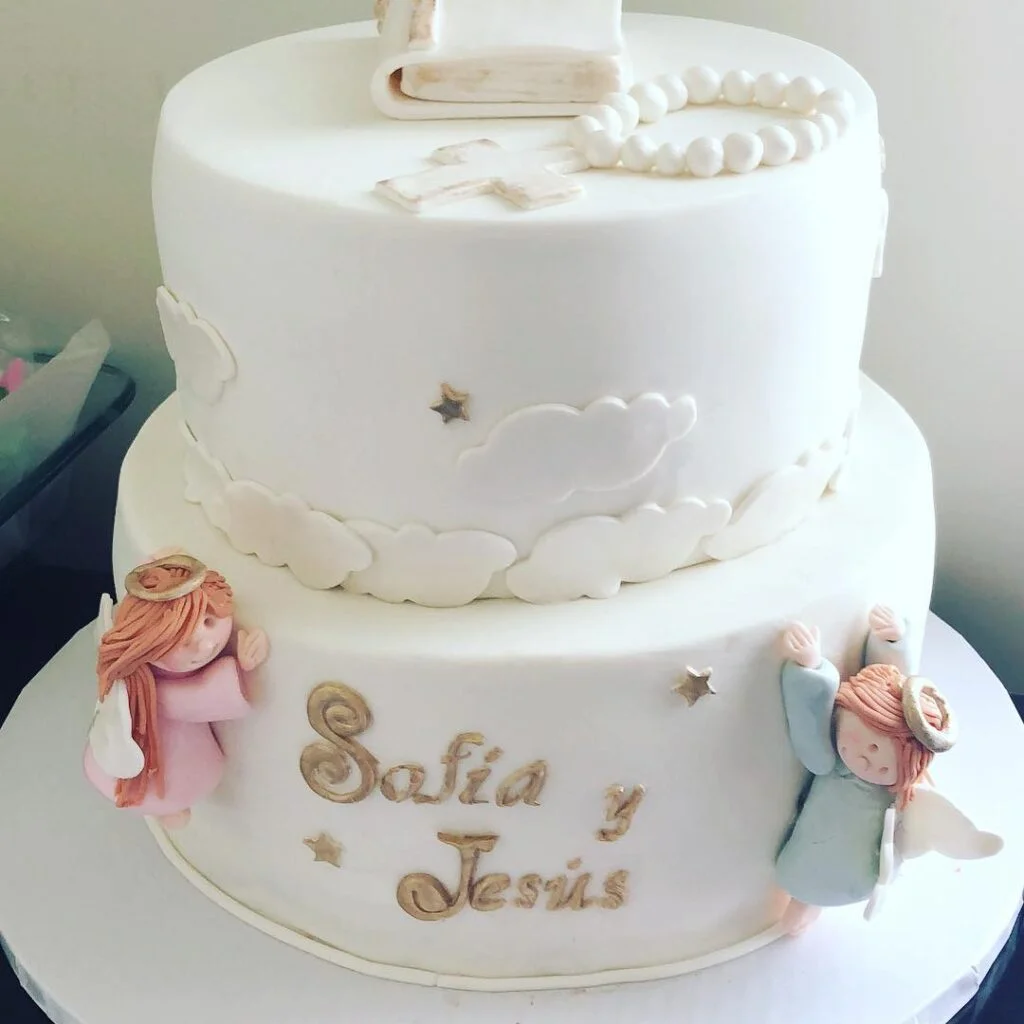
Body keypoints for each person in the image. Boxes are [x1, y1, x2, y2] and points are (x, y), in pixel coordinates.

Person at [775, 604, 955, 935]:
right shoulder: (829, 763)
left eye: (879, 752)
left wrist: (892, 642)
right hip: (818, 850)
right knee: (809, 877)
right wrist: (811, 669)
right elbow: (881, 693)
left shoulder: (899, 793)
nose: (866, 756)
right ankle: (804, 904)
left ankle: (808, 905)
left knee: (828, 876)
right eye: (860, 742)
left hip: (862, 865)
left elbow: (898, 694)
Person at [84, 553, 269, 829]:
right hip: (169, 756)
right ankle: (165, 807)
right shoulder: (160, 696)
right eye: (183, 643)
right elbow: (206, 696)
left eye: (208, 622)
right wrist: (243, 669)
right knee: (166, 783)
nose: (205, 646)